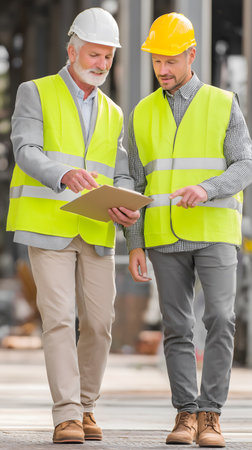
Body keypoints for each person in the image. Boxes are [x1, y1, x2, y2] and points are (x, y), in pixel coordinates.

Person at [6, 7, 140, 444]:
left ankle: (86, 406)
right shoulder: (35, 92)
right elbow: (25, 148)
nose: (101, 64)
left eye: (108, 57)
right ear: (72, 49)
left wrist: (125, 203)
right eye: (95, 54)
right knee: (59, 318)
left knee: (100, 323)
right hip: (48, 224)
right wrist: (61, 175)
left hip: (97, 228)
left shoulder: (114, 111)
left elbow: (120, 170)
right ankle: (66, 415)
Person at [125, 12, 252, 448]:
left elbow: (245, 165)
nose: (163, 70)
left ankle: (212, 414)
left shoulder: (223, 102)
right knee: (176, 327)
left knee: (220, 318)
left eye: (171, 61)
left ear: (191, 55)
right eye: (158, 61)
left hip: (214, 229)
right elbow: (136, 184)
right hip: (162, 234)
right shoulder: (141, 112)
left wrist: (208, 187)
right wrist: (135, 243)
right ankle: (186, 414)